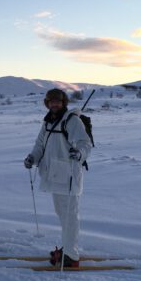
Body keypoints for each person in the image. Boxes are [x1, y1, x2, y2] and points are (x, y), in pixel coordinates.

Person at [24, 89, 92, 267]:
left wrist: (79, 153)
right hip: (54, 175)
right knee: (64, 216)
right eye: (51, 101)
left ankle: (71, 256)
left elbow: (85, 143)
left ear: (64, 103)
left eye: (58, 102)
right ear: (47, 103)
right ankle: (68, 248)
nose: (55, 104)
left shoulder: (72, 120)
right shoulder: (48, 122)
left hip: (68, 176)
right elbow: (40, 144)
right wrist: (33, 157)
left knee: (70, 217)